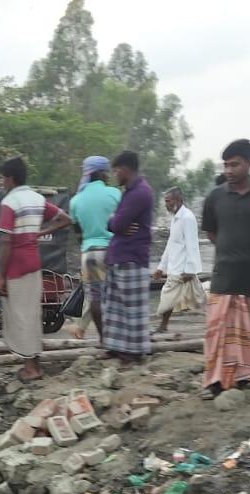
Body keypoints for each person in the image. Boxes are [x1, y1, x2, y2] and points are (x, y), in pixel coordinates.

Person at [200, 139, 250, 398]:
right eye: (226, 165)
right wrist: (230, 247)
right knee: (217, 327)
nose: (229, 170)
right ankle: (214, 381)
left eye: (234, 165)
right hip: (224, 272)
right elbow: (212, 232)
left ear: (248, 163)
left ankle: (248, 376)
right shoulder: (215, 197)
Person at [0, 156, 73, 383]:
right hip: (34, 262)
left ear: (10, 178)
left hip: (17, 265)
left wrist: (1, 275)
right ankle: (34, 363)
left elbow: (6, 241)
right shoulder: (37, 199)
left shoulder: (9, 202)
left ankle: (31, 369)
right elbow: (65, 219)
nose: (2, 181)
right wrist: (40, 232)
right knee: (31, 314)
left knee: (21, 316)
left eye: (3, 177)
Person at [102, 151, 156, 364]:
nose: (115, 175)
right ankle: (116, 347)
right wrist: (115, 222)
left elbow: (117, 224)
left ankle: (133, 351)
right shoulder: (131, 191)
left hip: (132, 256)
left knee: (131, 308)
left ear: (125, 170)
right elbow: (116, 224)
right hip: (120, 256)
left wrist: (115, 222)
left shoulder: (140, 192)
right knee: (115, 305)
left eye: (116, 171)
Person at [67, 155, 119, 339]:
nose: (108, 176)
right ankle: (117, 338)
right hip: (113, 250)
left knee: (95, 298)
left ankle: (103, 338)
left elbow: (78, 232)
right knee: (115, 297)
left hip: (89, 252)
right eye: (106, 172)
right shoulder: (114, 194)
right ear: (100, 173)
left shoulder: (76, 201)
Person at [154, 187, 205, 333]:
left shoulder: (187, 218)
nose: (166, 205)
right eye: (165, 202)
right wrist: (161, 267)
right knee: (198, 298)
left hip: (183, 269)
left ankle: (163, 325)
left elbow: (192, 244)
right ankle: (163, 325)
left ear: (178, 200)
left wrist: (190, 269)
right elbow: (171, 244)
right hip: (175, 267)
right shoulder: (176, 219)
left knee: (168, 295)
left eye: (168, 201)